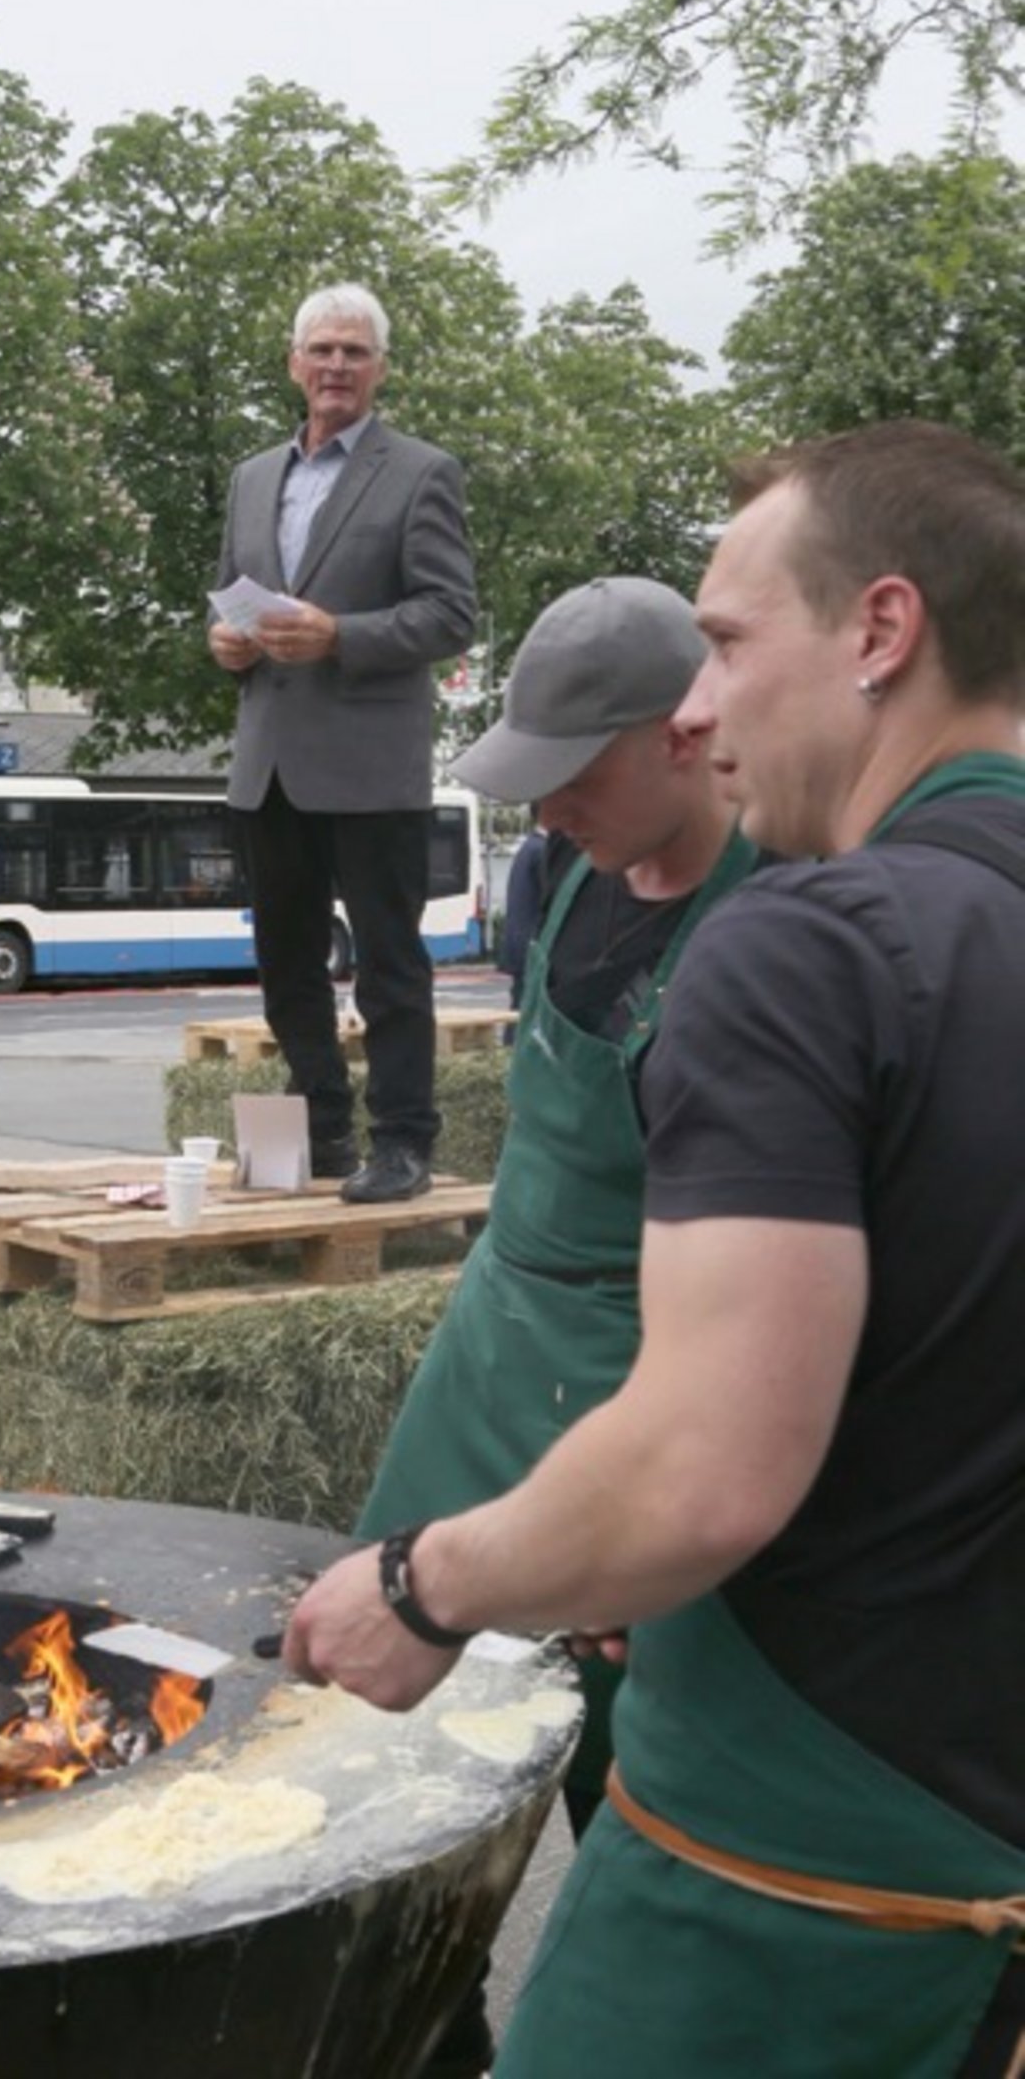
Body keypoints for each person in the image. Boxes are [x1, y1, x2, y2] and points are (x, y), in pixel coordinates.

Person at [285, 420, 1025, 2079]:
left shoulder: (808, 942)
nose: (699, 707)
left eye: (730, 641)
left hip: (797, 1878)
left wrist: (423, 1584)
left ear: (882, 632)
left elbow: (700, 1469)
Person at [356, 578, 759, 2079]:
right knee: (384, 1745)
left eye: (571, 772)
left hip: (639, 1368)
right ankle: (417, 2040)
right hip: (488, 1344)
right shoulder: (566, 872)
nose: (546, 808)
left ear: (686, 737)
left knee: (623, 1759)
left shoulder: (780, 906)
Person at [209, 282, 476, 1204]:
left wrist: (343, 636)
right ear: (293, 363)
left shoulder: (421, 472)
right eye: (320, 350)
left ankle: (402, 1141)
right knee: (287, 966)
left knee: (391, 966)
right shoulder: (250, 478)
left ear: (379, 370)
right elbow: (230, 596)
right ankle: (319, 1130)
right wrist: (223, 645)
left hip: (371, 767)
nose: (335, 367)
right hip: (269, 764)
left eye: (354, 353)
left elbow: (452, 614)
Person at [495, 808, 549, 1028]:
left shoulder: (529, 847)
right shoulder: (542, 851)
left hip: (518, 943)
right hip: (531, 946)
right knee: (526, 1014)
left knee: (519, 1007)